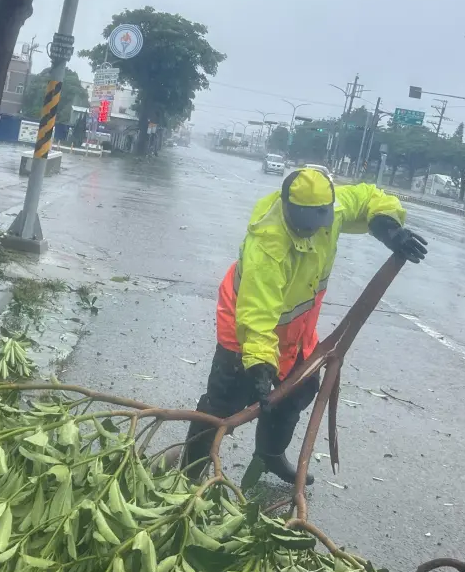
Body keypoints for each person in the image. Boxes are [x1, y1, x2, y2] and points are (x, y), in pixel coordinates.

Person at [181, 167, 428, 484]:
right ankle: (189, 472)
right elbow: (257, 314)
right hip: (245, 325)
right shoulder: (268, 244)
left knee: (298, 390)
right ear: (287, 208)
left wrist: (388, 227)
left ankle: (269, 455)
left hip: (295, 328)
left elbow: (368, 197)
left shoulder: (333, 209)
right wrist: (259, 365)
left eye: (316, 223)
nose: (310, 232)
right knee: (225, 401)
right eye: (302, 226)